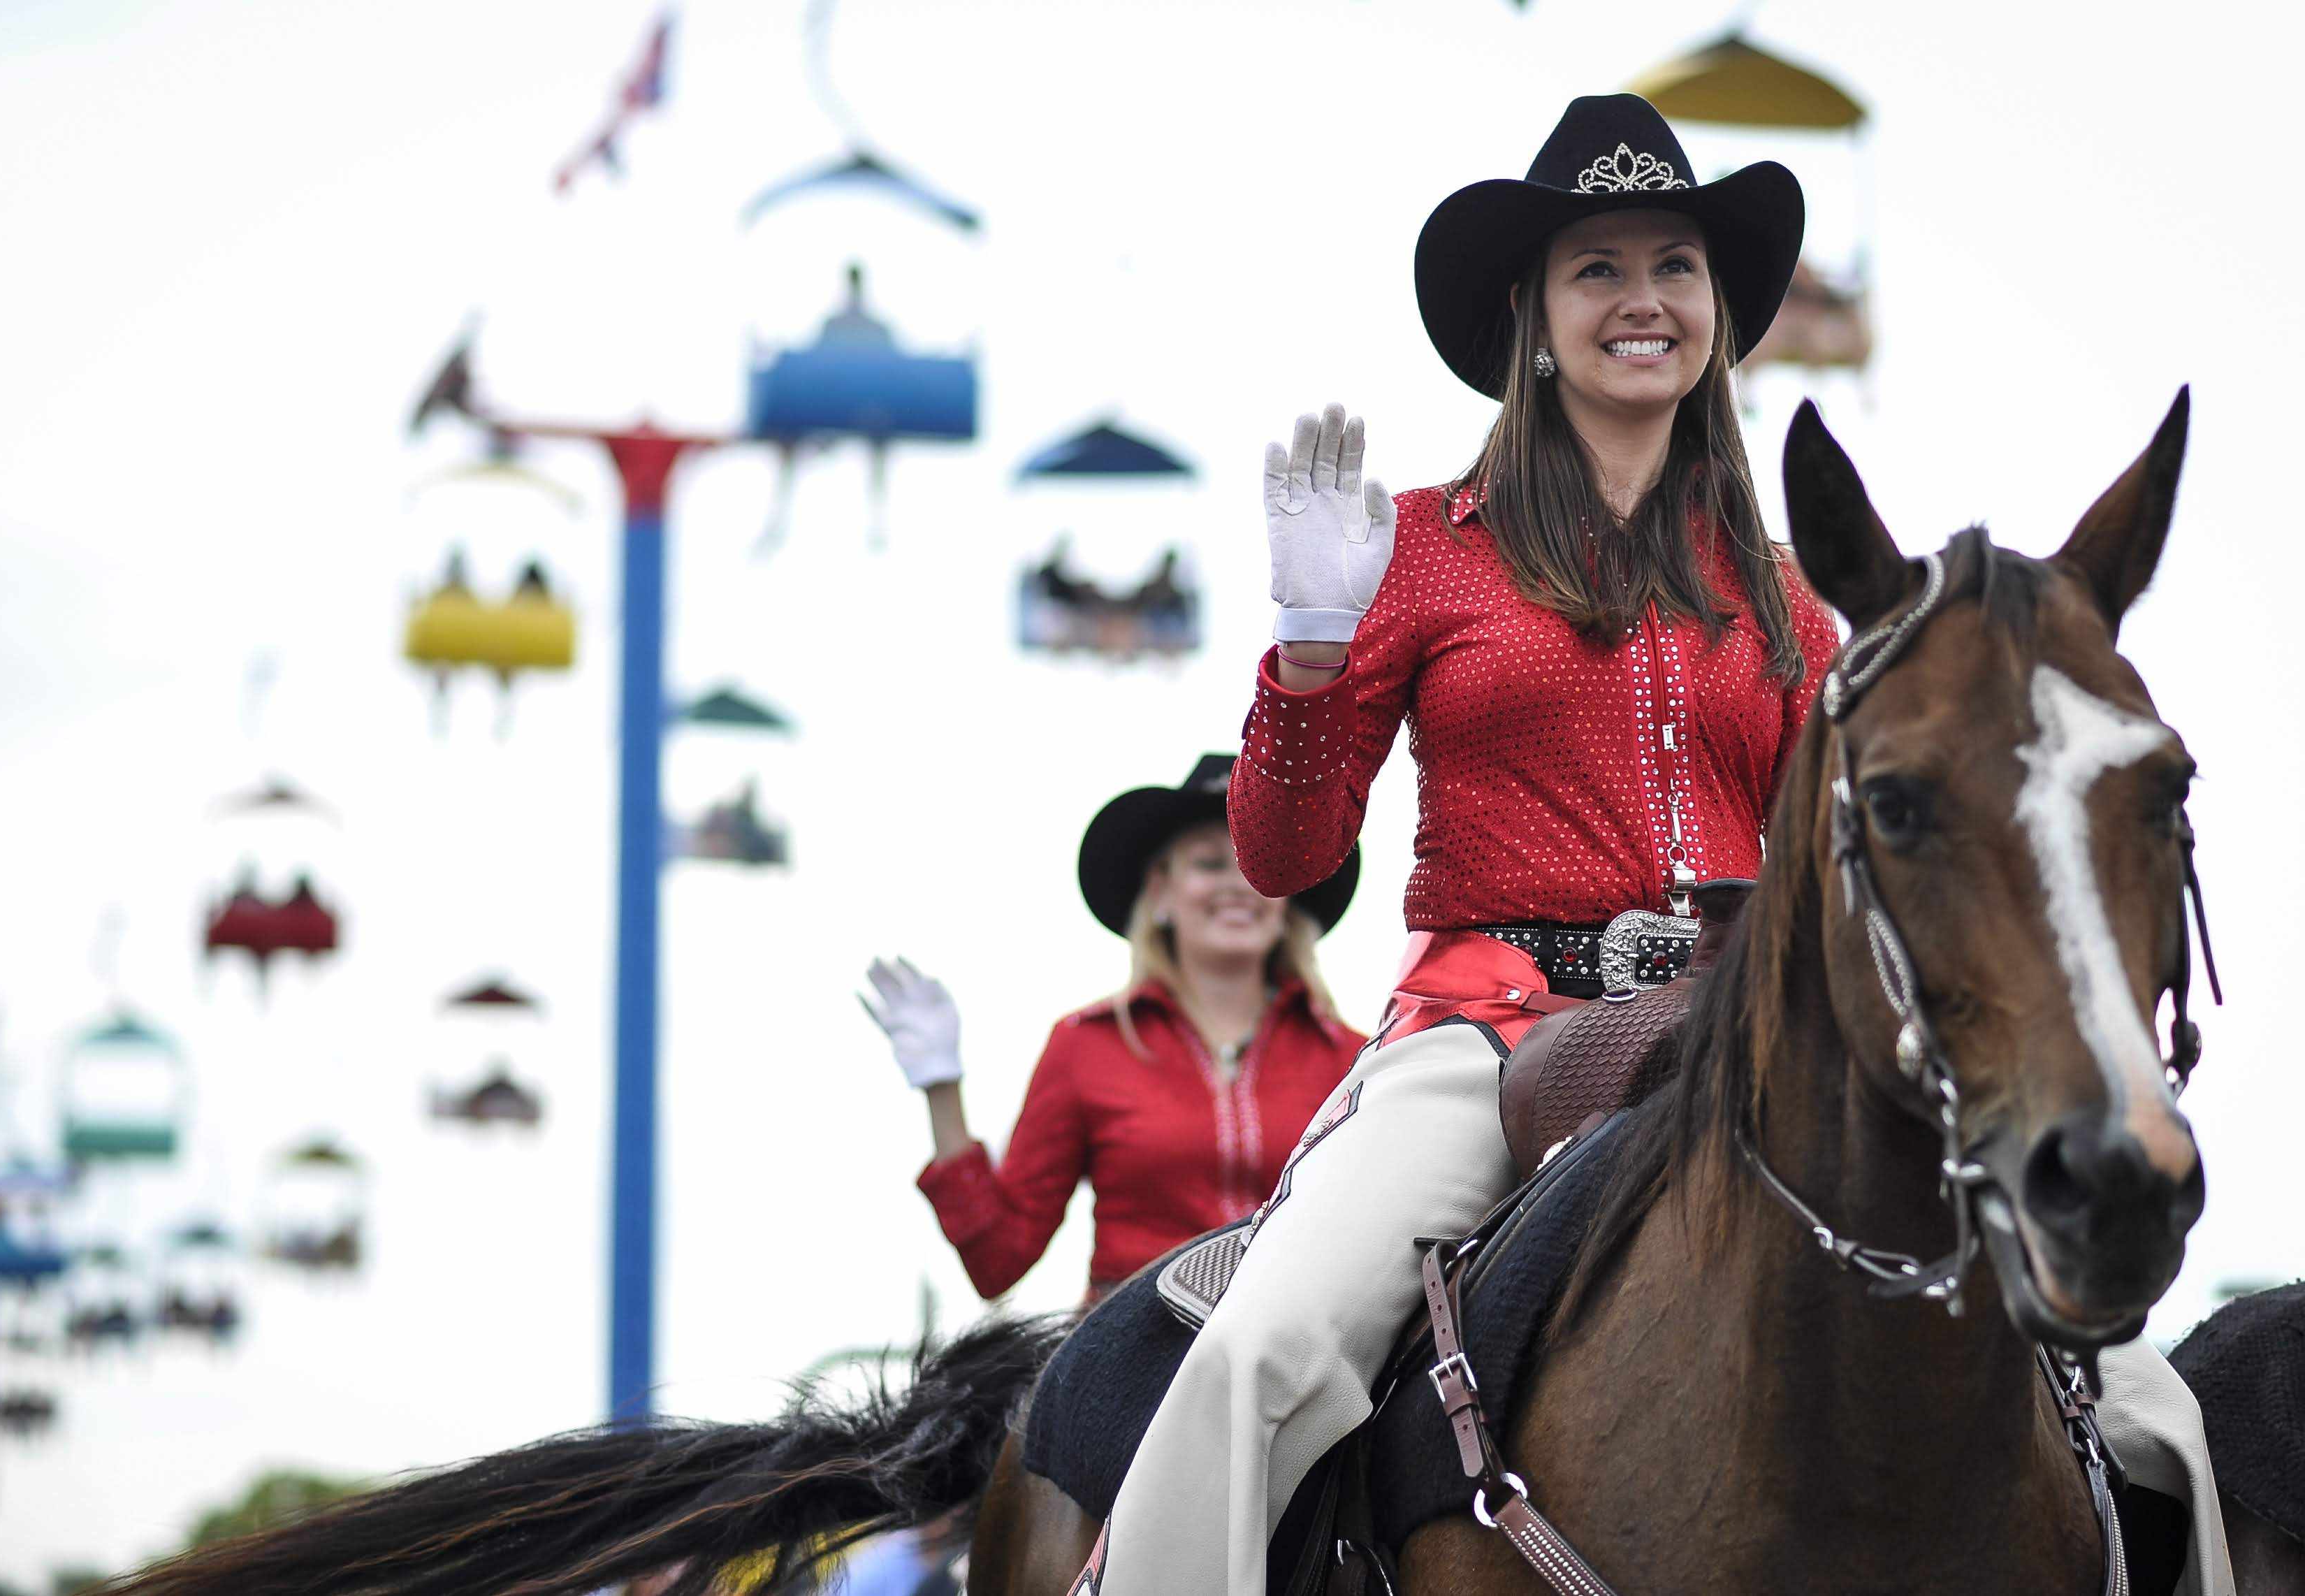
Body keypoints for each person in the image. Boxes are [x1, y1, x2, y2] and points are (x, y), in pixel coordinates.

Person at [1088, 93, 2233, 1596]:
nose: (1644, 300)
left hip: (1738, 1032)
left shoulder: (1791, 598)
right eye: (1600, 268)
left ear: (1717, 314)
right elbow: (1291, 857)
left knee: (2156, 1422)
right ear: (1532, 316)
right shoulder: (1421, 546)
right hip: (1478, 1037)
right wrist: (1308, 651)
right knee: (1261, 1351)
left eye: (1675, 267)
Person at [862, 755, 1365, 1307]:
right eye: (1209, 863)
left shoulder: (1354, 1062)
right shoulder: (1086, 1047)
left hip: (1298, 1360)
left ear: (1288, 896)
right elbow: (998, 1261)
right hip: (1132, 1362)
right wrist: (942, 1088)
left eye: (1259, 864)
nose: (1239, 886)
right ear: (1162, 893)